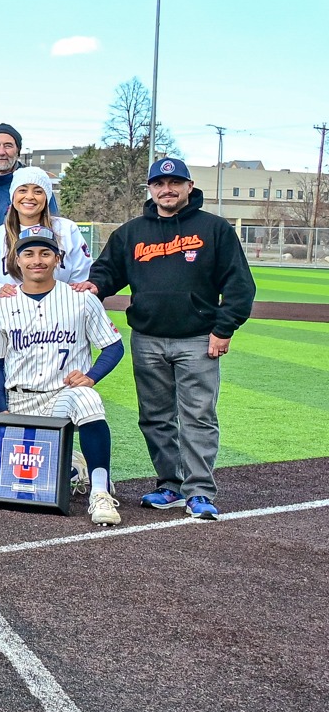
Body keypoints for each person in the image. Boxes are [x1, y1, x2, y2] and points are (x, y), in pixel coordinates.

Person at [87, 157, 256, 519]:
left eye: (176, 183)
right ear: (150, 189)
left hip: (198, 338)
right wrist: (94, 286)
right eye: (160, 184)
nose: (168, 189)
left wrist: (223, 329)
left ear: (189, 187)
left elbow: (240, 286)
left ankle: (199, 491)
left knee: (198, 416)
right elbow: (106, 271)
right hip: (147, 338)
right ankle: (171, 485)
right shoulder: (132, 232)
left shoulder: (214, 229)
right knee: (155, 417)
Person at [0, 225, 126, 527]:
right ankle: (73, 463)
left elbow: (113, 347)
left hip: (61, 398)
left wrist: (91, 376)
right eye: (29, 253)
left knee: (87, 399)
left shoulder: (81, 299)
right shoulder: (1, 304)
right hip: (20, 401)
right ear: (16, 260)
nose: (38, 260)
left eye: (45, 253)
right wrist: (2, 408)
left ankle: (100, 491)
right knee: (25, 486)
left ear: (58, 258)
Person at [0, 168, 91, 305]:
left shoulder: (67, 229)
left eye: (38, 191)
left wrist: (70, 297)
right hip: (13, 315)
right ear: (13, 196)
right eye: (22, 190)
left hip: (60, 314)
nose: (30, 196)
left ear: (46, 197)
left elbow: (82, 277)